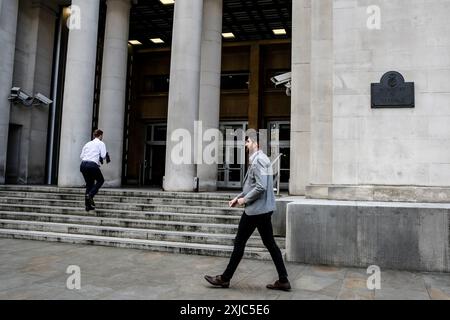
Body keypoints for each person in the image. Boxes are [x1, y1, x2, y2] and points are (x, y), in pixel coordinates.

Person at [205, 132, 291, 291]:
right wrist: (237, 197)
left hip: (255, 211)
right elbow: (252, 186)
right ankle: (283, 280)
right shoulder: (263, 159)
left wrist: (244, 200)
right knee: (270, 244)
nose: (246, 144)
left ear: (257, 144)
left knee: (240, 242)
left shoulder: (258, 161)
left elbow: (260, 187)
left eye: (248, 141)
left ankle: (225, 279)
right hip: (264, 210)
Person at [80, 129, 110, 211]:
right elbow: (103, 155)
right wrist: (104, 156)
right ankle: (91, 194)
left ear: (94, 135)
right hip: (92, 165)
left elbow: (81, 156)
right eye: (102, 136)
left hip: (83, 165)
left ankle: (87, 206)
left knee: (89, 184)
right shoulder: (101, 143)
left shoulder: (88, 143)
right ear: (100, 136)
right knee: (100, 180)